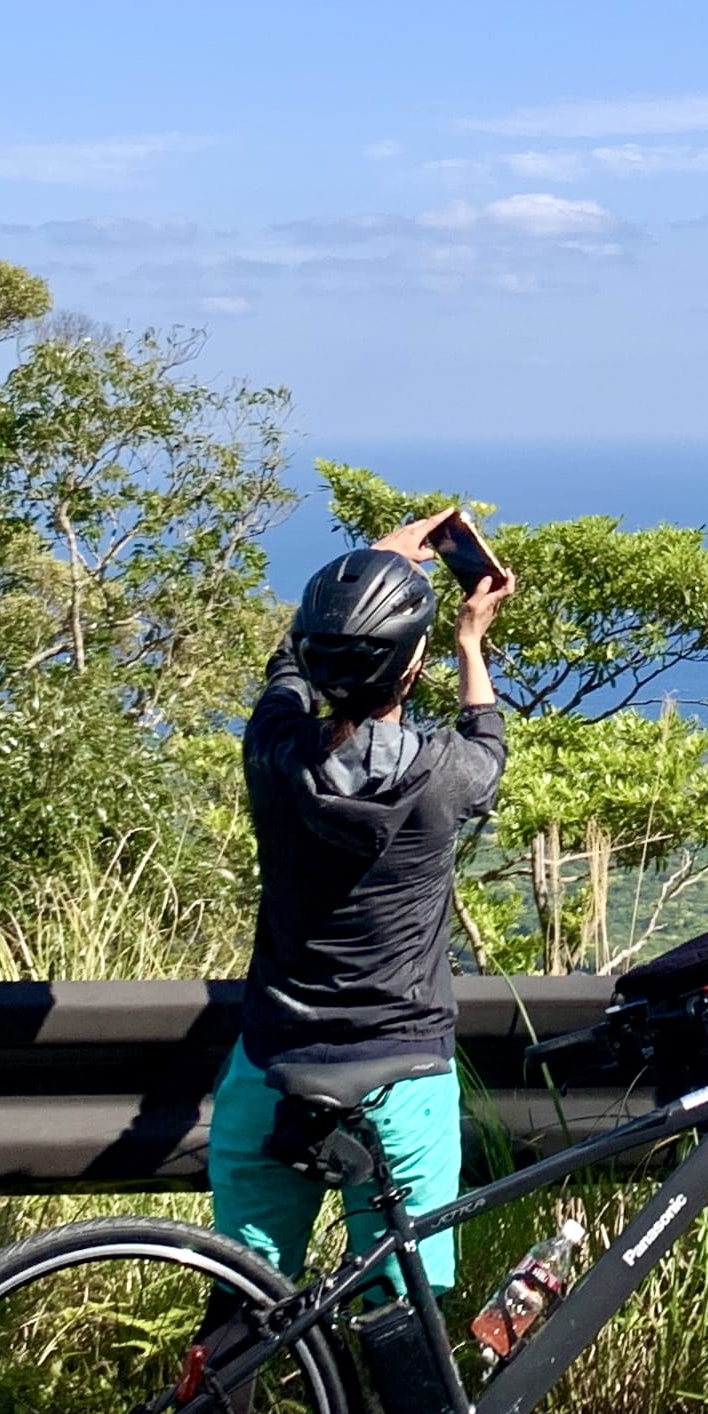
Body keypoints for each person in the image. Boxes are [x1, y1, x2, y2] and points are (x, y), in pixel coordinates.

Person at [207, 512, 513, 1306]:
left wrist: (365, 569)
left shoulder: (273, 754)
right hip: (403, 1067)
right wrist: (471, 641)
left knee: (244, 1300)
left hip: (276, 1063)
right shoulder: (445, 776)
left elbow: (288, 665)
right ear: (411, 671)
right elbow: (488, 738)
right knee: (398, 1313)